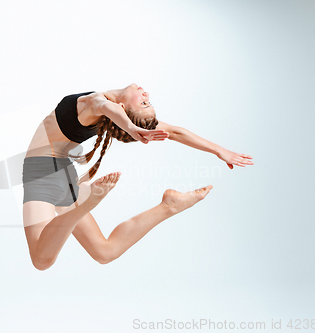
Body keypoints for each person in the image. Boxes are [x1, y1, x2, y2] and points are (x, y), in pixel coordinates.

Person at [22, 83, 253, 270]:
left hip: (42, 173)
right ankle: (168, 206)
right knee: (105, 252)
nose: (146, 93)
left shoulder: (94, 105)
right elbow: (173, 131)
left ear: (123, 107)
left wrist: (219, 150)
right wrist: (220, 150)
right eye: (147, 101)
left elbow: (112, 109)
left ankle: (86, 203)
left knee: (42, 261)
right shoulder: (104, 109)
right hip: (61, 174)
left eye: (144, 102)